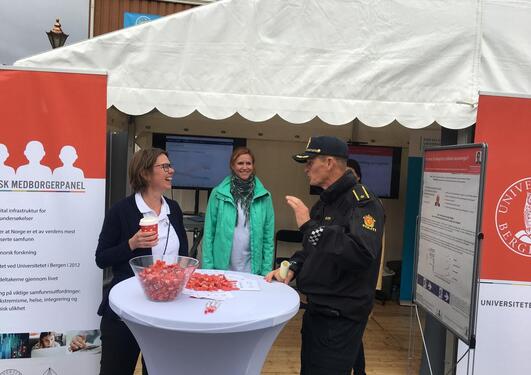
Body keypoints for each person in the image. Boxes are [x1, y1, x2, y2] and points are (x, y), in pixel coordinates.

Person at [266, 136, 385, 375]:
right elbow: (313, 248)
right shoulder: (325, 202)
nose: (306, 168)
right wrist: (292, 268)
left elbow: (362, 253)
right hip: (317, 313)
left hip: (340, 319)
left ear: (329, 162)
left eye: (310, 162)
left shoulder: (362, 202)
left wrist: (310, 227)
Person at [95, 148, 189, 375]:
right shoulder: (121, 211)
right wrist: (132, 244)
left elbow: (182, 256)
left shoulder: (173, 209)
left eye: (170, 165)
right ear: (145, 173)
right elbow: (101, 258)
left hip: (165, 311)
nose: (171, 170)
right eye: (164, 167)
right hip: (126, 311)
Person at [202, 147, 274, 275]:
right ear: (232, 166)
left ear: (253, 165)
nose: (245, 167)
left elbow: (268, 238)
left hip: (252, 269)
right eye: (240, 163)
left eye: (248, 163)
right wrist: (208, 268)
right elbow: (209, 234)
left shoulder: (264, 196)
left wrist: (266, 270)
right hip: (222, 268)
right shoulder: (218, 193)